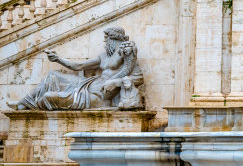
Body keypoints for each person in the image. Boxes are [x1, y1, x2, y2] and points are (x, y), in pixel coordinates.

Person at [9, 27, 143, 110]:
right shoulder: (103, 56)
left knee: (49, 97)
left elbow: (138, 77)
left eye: (106, 39)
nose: (105, 43)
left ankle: (33, 104)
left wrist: (115, 82)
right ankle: (23, 103)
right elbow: (79, 66)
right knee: (53, 75)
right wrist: (58, 59)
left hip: (98, 95)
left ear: (113, 39)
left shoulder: (126, 51)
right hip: (89, 83)